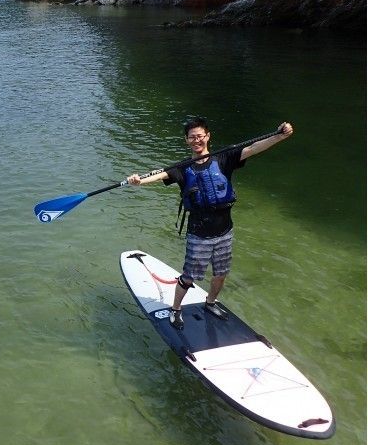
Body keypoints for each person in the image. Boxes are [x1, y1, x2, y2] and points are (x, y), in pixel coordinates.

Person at [126, 117, 294, 330]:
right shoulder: (182, 168)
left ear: (207, 136)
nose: (196, 140)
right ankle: (176, 309)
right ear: (187, 141)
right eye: (191, 137)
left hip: (225, 230)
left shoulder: (224, 158)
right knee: (188, 278)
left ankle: (210, 303)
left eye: (200, 136)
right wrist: (138, 181)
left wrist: (279, 136)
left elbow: (253, 148)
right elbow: (160, 174)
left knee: (220, 273)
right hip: (199, 233)